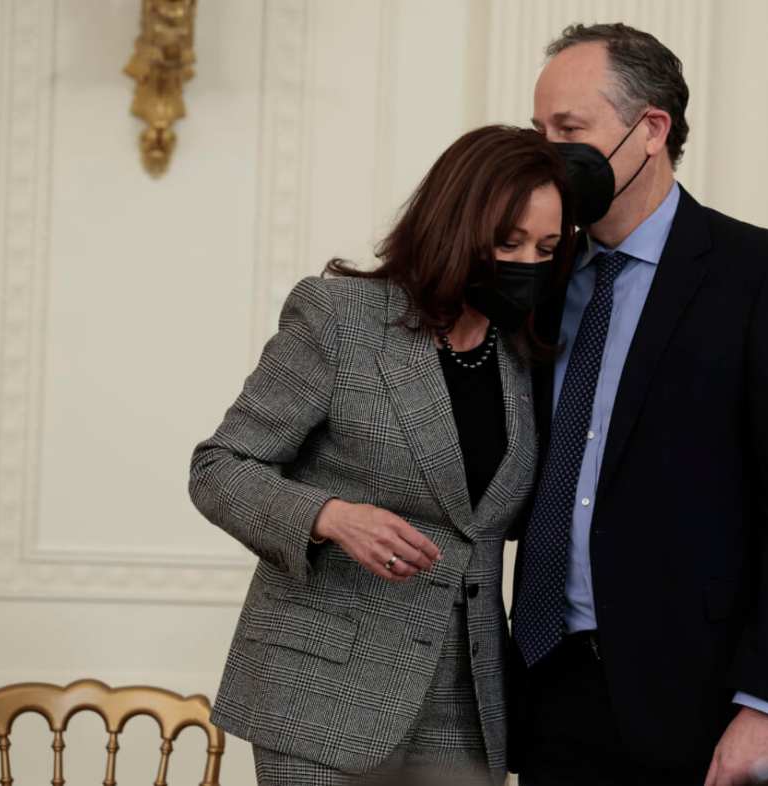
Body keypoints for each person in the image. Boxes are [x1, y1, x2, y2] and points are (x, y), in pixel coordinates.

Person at [508, 23, 768, 786]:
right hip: (554, 690)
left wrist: (766, 703)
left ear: (650, 131)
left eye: (569, 130)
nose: (548, 152)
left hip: (717, 708)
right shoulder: (538, 274)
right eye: (539, 131)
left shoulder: (767, 279)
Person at [188, 125, 574, 786]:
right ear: (456, 223)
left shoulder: (525, 354)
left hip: (467, 699)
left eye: (545, 248)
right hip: (321, 692)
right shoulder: (341, 317)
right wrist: (331, 517)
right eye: (507, 242)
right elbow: (220, 468)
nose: (527, 266)